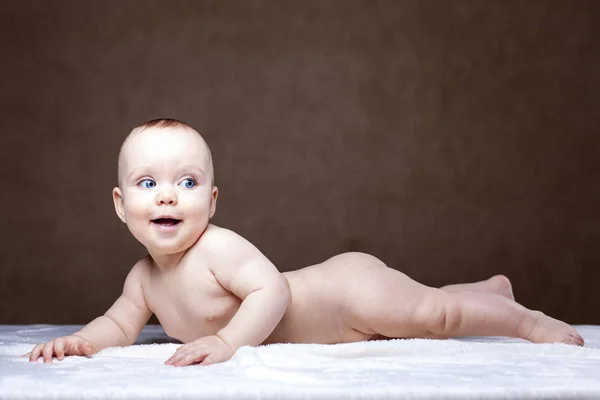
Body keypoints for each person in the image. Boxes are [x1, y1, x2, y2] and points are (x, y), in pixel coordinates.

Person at [26, 118, 584, 367]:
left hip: (346, 293)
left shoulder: (217, 249)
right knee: (427, 305)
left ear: (212, 200)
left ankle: (526, 320)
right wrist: (81, 343)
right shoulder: (142, 279)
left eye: (187, 183)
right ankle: (489, 289)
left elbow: (271, 290)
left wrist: (229, 345)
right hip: (343, 322)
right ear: (122, 204)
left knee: (434, 314)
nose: (168, 197)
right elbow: (120, 325)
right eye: (149, 184)